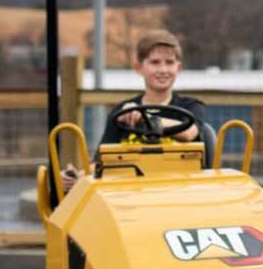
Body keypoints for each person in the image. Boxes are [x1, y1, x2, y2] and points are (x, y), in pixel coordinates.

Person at [61, 29, 206, 191]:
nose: (163, 70)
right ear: (138, 67)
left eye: (169, 62)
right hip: (131, 194)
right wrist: (78, 176)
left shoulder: (192, 107)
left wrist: (144, 118)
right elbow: (102, 163)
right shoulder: (122, 113)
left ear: (179, 68)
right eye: (155, 62)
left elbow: (188, 133)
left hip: (182, 192)